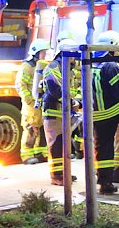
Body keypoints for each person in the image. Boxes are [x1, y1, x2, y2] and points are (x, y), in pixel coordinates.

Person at [92, 31, 119, 194]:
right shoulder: (112, 66)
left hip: (95, 114)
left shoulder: (93, 64)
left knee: (101, 147)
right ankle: (106, 183)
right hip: (110, 113)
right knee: (107, 148)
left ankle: (102, 179)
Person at [41, 38, 80, 186]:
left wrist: (76, 102)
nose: (75, 58)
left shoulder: (66, 68)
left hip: (63, 114)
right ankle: (57, 176)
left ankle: (64, 172)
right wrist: (71, 102)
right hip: (53, 113)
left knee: (63, 145)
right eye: (74, 54)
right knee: (56, 146)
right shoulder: (53, 67)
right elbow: (55, 89)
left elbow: (71, 90)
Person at [16, 38, 50, 165]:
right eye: (43, 52)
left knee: (41, 129)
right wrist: (29, 100)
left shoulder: (41, 65)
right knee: (30, 128)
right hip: (31, 105)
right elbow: (21, 85)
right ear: (36, 52)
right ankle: (26, 155)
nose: (45, 55)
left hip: (40, 103)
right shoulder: (27, 67)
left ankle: (40, 153)